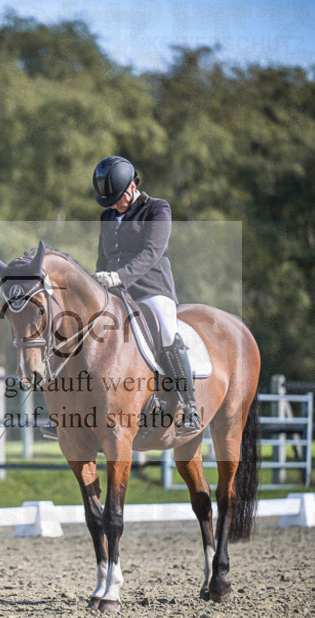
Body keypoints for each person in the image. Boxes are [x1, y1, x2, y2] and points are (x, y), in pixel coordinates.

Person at [91, 155, 201, 437]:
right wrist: (98, 281)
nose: (114, 205)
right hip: (115, 292)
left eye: (117, 198)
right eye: (110, 202)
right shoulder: (107, 216)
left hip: (151, 290)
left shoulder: (156, 209)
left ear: (132, 186)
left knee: (165, 330)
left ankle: (189, 407)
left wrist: (119, 276)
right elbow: (103, 258)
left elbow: (152, 253)